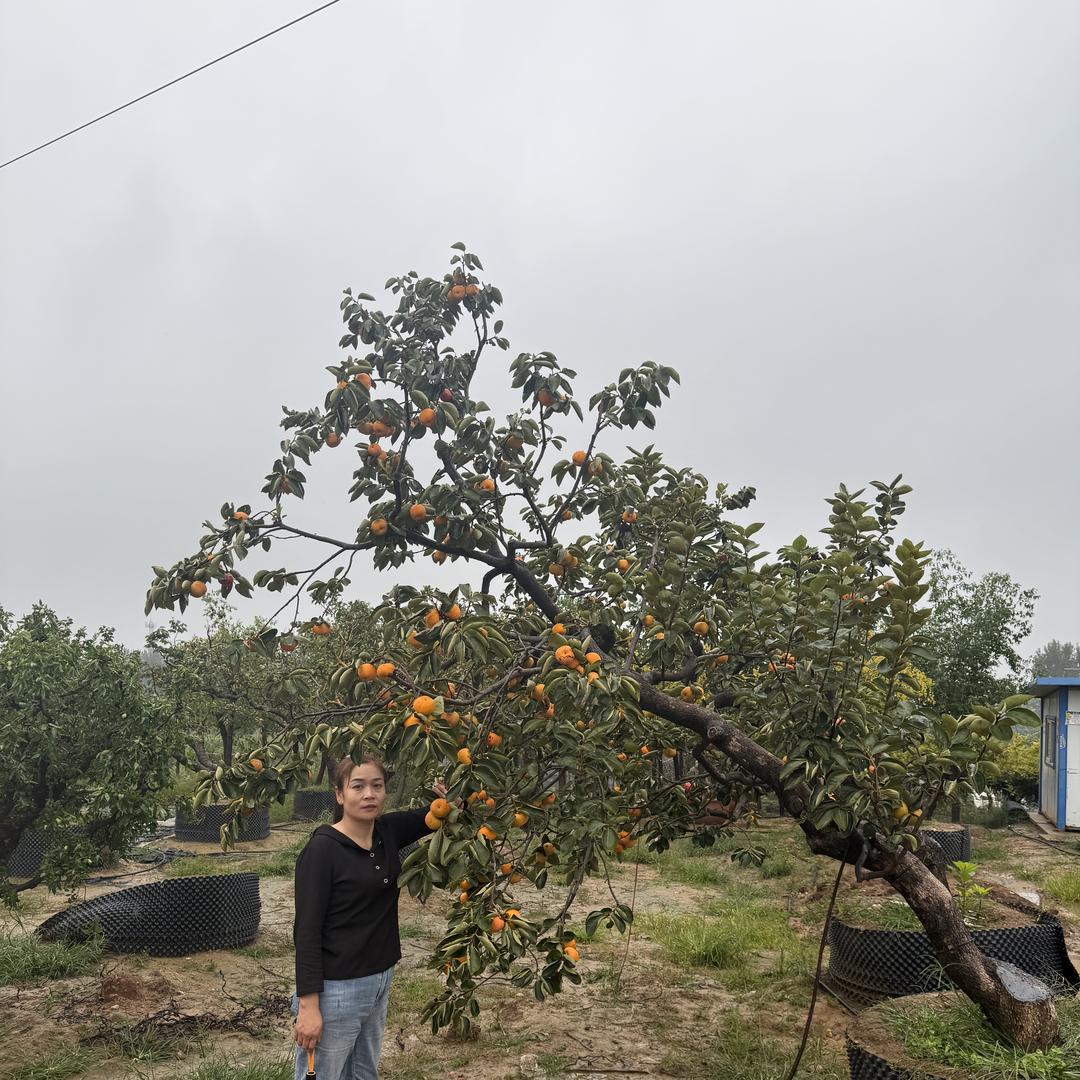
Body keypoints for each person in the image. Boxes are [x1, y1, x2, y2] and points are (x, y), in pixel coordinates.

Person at [291, 754, 443, 1080]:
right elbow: (306, 931)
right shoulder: (322, 850)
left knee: (363, 1073)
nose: (369, 794)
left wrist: (450, 796)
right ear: (340, 795)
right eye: (358, 786)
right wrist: (308, 1006)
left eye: (377, 786)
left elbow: (435, 815)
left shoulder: (386, 833)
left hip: (379, 980)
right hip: (336, 989)